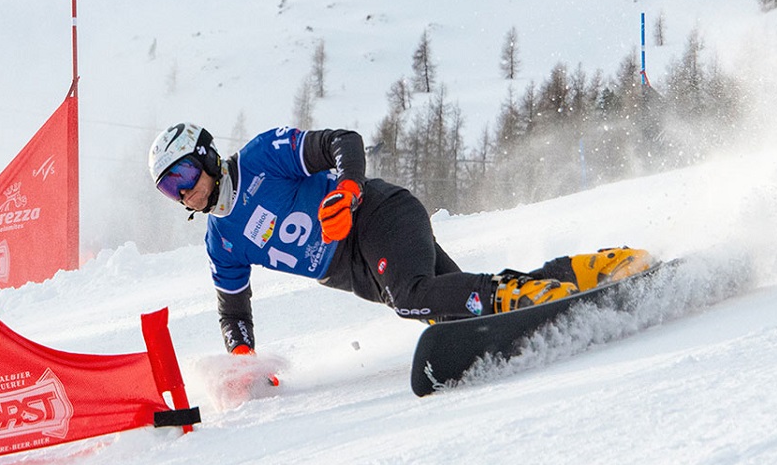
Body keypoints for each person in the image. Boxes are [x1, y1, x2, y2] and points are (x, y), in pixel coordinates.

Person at [148, 123, 652, 358]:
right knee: (453, 302)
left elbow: (340, 142)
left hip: (377, 215)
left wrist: (345, 190)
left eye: (186, 173)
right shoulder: (222, 244)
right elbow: (233, 314)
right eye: (171, 188)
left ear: (208, 156)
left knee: (411, 299)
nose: (186, 191)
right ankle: (584, 271)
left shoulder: (261, 157)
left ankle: (523, 296)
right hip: (359, 272)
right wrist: (242, 361)